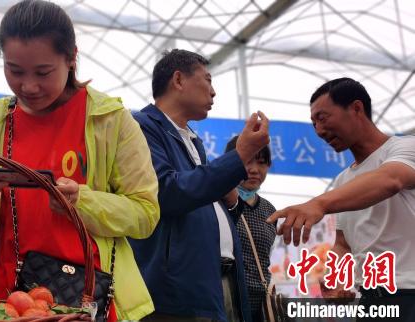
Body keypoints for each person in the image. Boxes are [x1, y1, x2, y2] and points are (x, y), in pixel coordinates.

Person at [0, 1, 160, 320]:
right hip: (5, 301)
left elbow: (146, 213)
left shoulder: (111, 121)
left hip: (86, 298)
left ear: (71, 58)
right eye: (14, 70)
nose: (28, 86)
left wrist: (82, 201)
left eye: (43, 72)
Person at [129, 49, 270, 322]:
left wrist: (228, 204)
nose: (213, 92)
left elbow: (198, 195)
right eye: (207, 79)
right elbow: (167, 191)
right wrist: (239, 155)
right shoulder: (142, 127)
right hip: (172, 292)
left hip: (211, 286)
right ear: (179, 80)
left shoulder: (192, 140)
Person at [268, 78, 415, 320]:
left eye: (323, 118)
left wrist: (318, 204)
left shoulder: (404, 148)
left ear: (356, 108)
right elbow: (344, 244)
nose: (318, 131)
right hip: (370, 299)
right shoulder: (343, 180)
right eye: (313, 123)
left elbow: (391, 180)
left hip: (409, 293)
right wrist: (333, 277)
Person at [224, 136, 277, 322]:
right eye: (247, 162)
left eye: (262, 163)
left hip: (260, 307)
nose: (255, 170)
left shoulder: (269, 210)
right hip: (226, 302)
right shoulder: (215, 202)